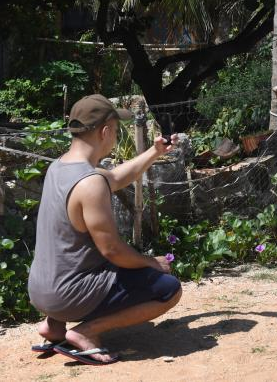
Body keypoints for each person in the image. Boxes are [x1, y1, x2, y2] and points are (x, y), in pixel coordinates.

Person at [27, 94, 181, 365]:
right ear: (105, 131)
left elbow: (116, 177)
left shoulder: (59, 167)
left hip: (41, 292)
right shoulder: (90, 182)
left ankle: (54, 326)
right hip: (68, 295)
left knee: (72, 253)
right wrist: (152, 263)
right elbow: (112, 251)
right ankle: (85, 333)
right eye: (116, 130)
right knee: (169, 289)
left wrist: (155, 151)